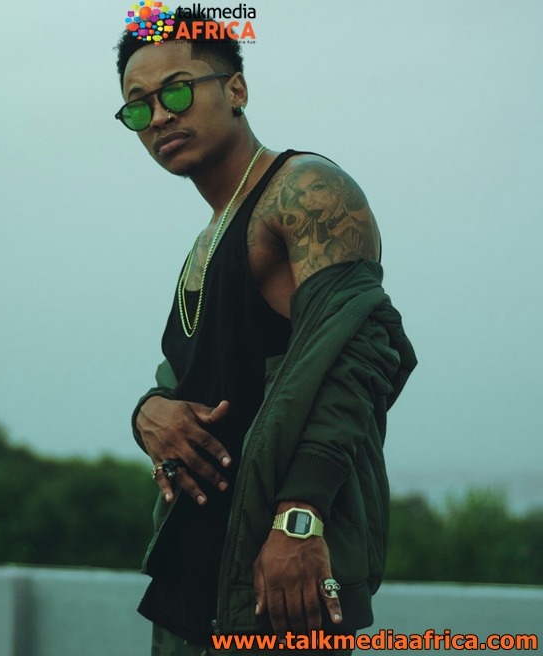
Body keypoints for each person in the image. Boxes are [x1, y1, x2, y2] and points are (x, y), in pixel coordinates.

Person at [115, 16, 417, 656]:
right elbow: (188, 379)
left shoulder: (305, 191)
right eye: (138, 107)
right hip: (195, 576)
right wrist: (146, 414)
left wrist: (300, 519)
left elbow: (360, 357)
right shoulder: (209, 237)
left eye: (176, 91)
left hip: (278, 579)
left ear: (237, 90)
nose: (160, 117)